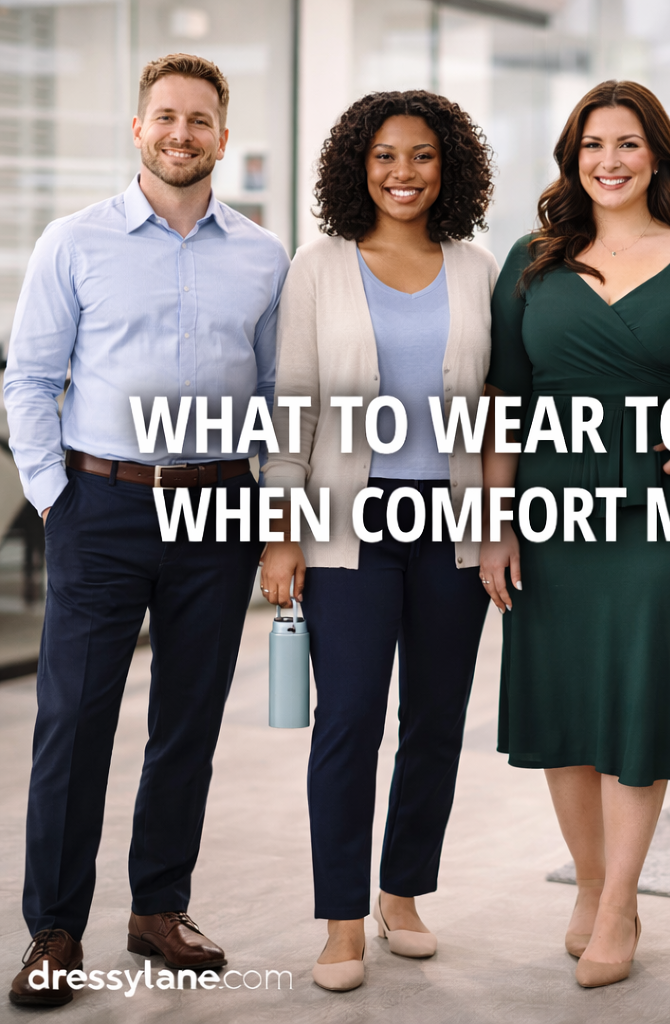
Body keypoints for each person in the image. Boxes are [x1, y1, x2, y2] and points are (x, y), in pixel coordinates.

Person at [4, 54, 289, 1007]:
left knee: (189, 723)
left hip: (218, 510)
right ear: (139, 130)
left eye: (199, 120)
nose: (181, 133)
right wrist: (56, 497)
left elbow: (281, 400)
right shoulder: (73, 242)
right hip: (104, 505)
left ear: (220, 134)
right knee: (74, 724)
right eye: (165, 117)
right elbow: (30, 380)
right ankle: (55, 928)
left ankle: (159, 907)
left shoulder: (262, 253)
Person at [480, 80, 670, 989]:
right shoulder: (531, 258)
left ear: (659, 158)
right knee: (565, 704)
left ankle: (617, 906)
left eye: (629, 144)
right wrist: (492, 523)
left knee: (640, 696)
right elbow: (502, 404)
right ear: (573, 158)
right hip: (554, 509)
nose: (610, 160)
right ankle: (597, 882)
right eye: (593, 144)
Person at [260, 90, 496, 993]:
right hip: (346, 527)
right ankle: (341, 921)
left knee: (434, 722)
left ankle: (402, 894)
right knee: (349, 720)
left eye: (424, 156)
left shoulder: (477, 270)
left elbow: (494, 411)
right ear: (359, 165)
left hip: (452, 524)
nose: (405, 173)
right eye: (387, 155)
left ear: (451, 168)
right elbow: (294, 408)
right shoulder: (319, 266)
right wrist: (280, 532)